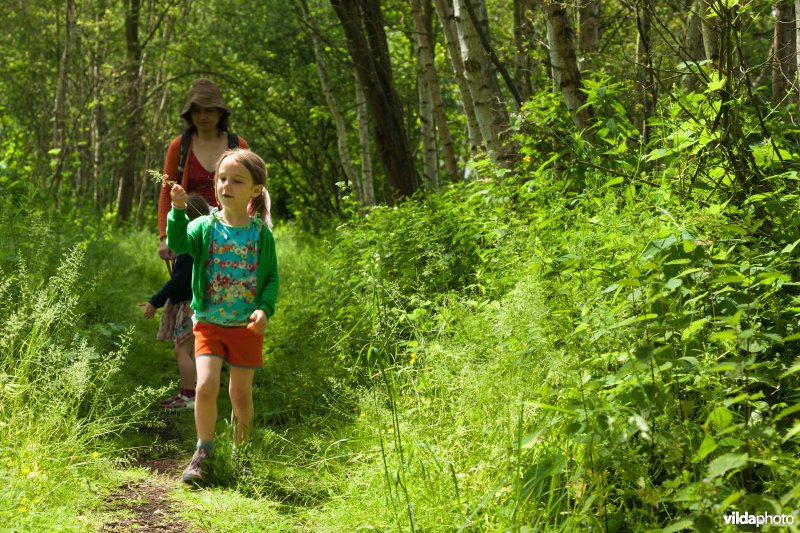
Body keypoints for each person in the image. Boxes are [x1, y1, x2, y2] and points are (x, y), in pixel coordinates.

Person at [167, 148, 278, 484]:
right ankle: (203, 453)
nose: (226, 185)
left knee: (240, 395)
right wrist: (177, 210)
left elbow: (271, 279)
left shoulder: (260, 234)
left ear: (255, 190)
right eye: (222, 178)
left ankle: (241, 456)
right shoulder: (204, 226)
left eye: (236, 180)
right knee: (205, 385)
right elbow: (178, 243)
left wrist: (264, 309)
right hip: (209, 322)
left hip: (245, 327)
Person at [158, 78, 249, 261]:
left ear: (220, 113)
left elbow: (252, 192)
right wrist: (166, 237)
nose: (202, 116)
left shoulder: (238, 145)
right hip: (188, 234)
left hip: (230, 232)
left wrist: (254, 230)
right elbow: (167, 191)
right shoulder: (179, 146)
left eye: (208, 110)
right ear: (189, 114)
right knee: (186, 287)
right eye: (197, 111)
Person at [141, 194, 211, 411]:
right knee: (190, 351)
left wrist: (155, 301)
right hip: (198, 304)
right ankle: (191, 393)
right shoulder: (199, 244)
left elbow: (177, 282)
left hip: (189, 305)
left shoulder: (189, 249)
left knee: (182, 351)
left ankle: (190, 396)